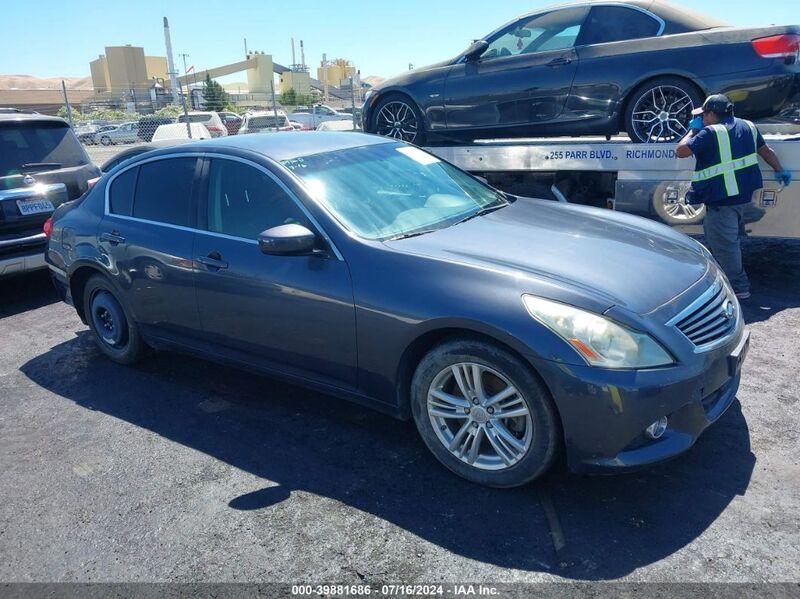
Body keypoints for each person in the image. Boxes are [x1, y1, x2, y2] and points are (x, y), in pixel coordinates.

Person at [676, 94, 792, 300]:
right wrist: (779, 169)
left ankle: (738, 288)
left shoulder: (709, 133)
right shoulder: (748, 126)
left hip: (722, 200)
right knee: (730, 242)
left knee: (725, 246)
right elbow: (765, 150)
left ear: (712, 114)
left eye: (704, 115)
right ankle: (733, 282)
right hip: (743, 196)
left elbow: (681, 150)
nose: (702, 118)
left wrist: (693, 130)